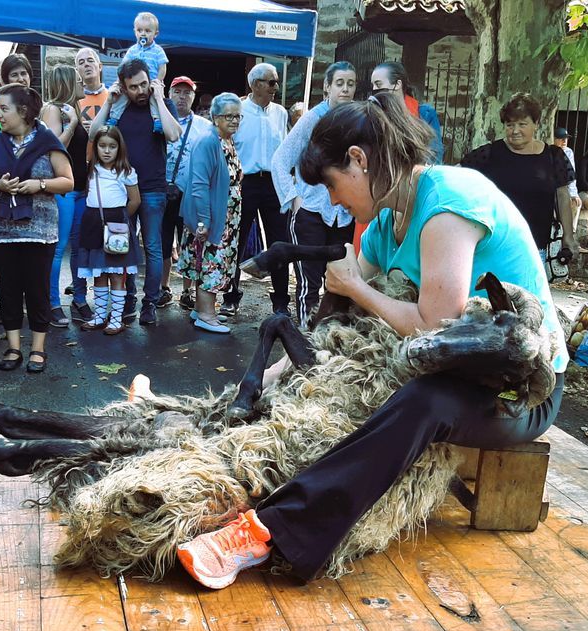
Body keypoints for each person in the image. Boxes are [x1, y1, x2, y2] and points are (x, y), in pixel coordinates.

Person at [175, 95, 567, 589]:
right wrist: (268, 380)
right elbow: (340, 328)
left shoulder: (449, 202)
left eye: (333, 185)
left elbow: (435, 327)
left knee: (422, 402)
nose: (334, 201)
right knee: (343, 391)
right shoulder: (385, 223)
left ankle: (269, 534)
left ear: (359, 160)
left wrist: (357, 287)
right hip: (445, 372)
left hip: (517, 389)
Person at [0, 84, 74, 372]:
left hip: (40, 232)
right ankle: (14, 348)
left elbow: (68, 181)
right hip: (2, 231)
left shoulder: (47, 141)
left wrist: (39, 185)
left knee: (37, 290)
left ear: (24, 111)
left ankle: (38, 349)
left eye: (4, 109)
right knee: (8, 289)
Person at [89, 58, 182, 326]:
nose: (140, 91)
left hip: (153, 188)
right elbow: (95, 135)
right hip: (121, 190)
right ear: (124, 87)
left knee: (153, 247)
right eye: (134, 87)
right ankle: (127, 298)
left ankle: (149, 303)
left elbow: (173, 135)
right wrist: (108, 101)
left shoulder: (160, 105)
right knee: (121, 246)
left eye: (144, 84)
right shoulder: (118, 107)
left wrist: (160, 99)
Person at [272, 62, 356, 326]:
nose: (345, 89)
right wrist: (294, 198)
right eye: (339, 83)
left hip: (343, 213)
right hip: (312, 211)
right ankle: (304, 340)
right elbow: (280, 160)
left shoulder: (355, 119)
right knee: (309, 282)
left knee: (340, 281)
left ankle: (330, 339)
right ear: (327, 87)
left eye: (350, 84)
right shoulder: (313, 118)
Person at [460, 93, 578, 261]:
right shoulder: (489, 153)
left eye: (522, 124)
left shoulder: (554, 156)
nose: (515, 131)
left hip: (536, 247)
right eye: (510, 125)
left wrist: (568, 235)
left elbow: (563, 197)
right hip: (494, 246)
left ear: (536, 124)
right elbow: (457, 178)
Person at [223, 63, 289, 318]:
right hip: (245, 182)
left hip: (273, 184)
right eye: (271, 82)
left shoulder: (280, 113)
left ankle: (281, 300)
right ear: (255, 84)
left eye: (276, 82)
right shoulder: (237, 112)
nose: (276, 87)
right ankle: (230, 297)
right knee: (236, 243)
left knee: (279, 243)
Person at [179, 93, 244, 334]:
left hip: (227, 215)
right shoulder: (209, 141)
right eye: (229, 116)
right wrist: (204, 221)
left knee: (213, 261)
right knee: (210, 262)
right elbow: (199, 185)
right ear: (215, 117)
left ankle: (201, 308)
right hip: (212, 217)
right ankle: (206, 314)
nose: (235, 120)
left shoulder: (226, 140)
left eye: (238, 116)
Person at [76, 126, 142, 334]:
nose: (106, 151)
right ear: (95, 148)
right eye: (102, 146)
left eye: (112, 146)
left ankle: (116, 319)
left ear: (119, 148)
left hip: (116, 226)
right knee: (99, 274)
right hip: (92, 224)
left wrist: (120, 219)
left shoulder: (126, 172)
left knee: (116, 275)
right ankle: (99, 316)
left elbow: (135, 201)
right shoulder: (91, 169)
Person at [40, 65, 89, 327]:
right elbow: (53, 147)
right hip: (64, 191)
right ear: (69, 83)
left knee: (80, 247)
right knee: (59, 249)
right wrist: (72, 125)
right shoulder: (52, 109)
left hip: (81, 189)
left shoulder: (74, 110)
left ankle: (80, 298)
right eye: (79, 81)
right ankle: (53, 303)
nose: (84, 84)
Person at [161, 75, 213, 310]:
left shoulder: (204, 126)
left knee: (190, 242)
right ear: (169, 95)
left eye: (187, 93)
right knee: (162, 241)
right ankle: (163, 288)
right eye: (177, 92)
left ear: (193, 97)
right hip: (162, 191)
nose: (182, 97)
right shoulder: (159, 120)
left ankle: (187, 291)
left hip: (190, 193)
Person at [370, 62, 444, 163]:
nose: (374, 89)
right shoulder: (374, 114)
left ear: (397, 85)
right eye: (373, 85)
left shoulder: (425, 114)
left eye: (378, 84)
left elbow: (435, 156)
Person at [107, 11, 168, 132]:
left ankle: (157, 120)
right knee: (122, 97)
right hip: (134, 83)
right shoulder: (133, 50)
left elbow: (162, 67)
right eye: (139, 31)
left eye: (147, 31)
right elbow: (123, 66)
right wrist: (119, 82)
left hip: (151, 83)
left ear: (155, 34)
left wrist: (158, 81)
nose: (143, 34)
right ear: (135, 32)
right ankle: (114, 118)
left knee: (155, 99)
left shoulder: (158, 50)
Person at [551, 127, 583, 245]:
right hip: (553, 188)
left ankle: (570, 233)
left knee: (576, 204)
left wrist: (574, 194)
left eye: (566, 139)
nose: (564, 141)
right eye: (561, 139)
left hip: (565, 188)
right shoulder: (548, 151)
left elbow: (571, 176)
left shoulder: (568, 152)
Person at [74, 48, 108, 131]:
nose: (86, 64)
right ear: (77, 70)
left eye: (90, 60)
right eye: (81, 62)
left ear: (100, 66)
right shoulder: (73, 100)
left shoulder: (112, 97)